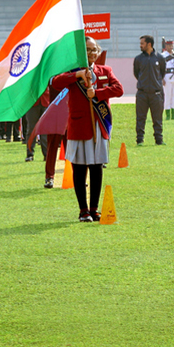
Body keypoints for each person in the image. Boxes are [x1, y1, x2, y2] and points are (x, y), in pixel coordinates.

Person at [50, 37, 123, 221]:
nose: (91, 53)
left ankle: (94, 209)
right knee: (80, 169)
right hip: (79, 125)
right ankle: (83, 210)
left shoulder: (105, 71)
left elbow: (118, 89)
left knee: (96, 167)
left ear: (98, 52)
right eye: (87, 50)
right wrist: (77, 75)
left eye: (94, 50)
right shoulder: (73, 71)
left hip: (99, 125)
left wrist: (98, 93)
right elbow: (55, 82)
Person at [133, 35, 164, 145]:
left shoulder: (159, 58)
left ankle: (159, 140)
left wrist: (155, 84)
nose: (140, 45)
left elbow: (162, 73)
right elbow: (137, 74)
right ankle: (140, 140)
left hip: (156, 94)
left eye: (142, 43)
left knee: (157, 118)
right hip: (142, 94)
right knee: (140, 118)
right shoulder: (138, 59)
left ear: (149, 44)